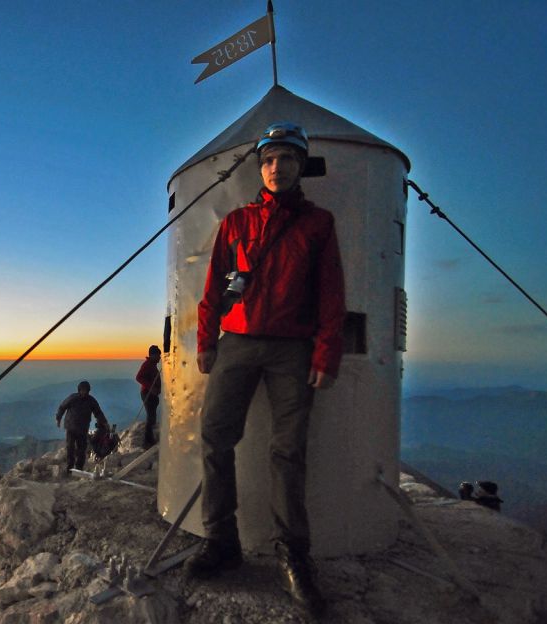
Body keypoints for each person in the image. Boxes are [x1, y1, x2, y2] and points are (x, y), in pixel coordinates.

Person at [183, 121, 345, 619]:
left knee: (289, 450)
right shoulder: (235, 222)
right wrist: (206, 341)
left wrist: (325, 354)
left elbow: (331, 293)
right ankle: (221, 540)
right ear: (261, 167)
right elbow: (213, 287)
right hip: (237, 342)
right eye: (270, 160)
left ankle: (293, 554)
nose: (277, 168)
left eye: (287, 160)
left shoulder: (318, 224)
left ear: (301, 167)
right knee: (214, 438)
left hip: (293, 349)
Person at [56, 380, 109, 473]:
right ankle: (69, 468)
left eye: (85, 390)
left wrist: (104, 423)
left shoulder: (91, 401)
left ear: (88, 391)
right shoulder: (72, 398)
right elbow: (62, 407)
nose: (83, 392)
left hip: (83, 428)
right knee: (70, 448)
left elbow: (98, 412)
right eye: (82, 390)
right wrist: (58, 418)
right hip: (71, 427)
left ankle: (79, 468)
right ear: (79, 390)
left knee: (82, 449)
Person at [135, 345, 162, 449]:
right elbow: (138, 377)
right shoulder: (147, 364)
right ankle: (147, 442)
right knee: (151, 417)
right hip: (147, 394)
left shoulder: (152, 365)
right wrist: (152, 388)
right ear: (153, 355)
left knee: (152, 416)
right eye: (158, 355)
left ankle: (150, 440)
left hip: (151, 394)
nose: (160, 358)